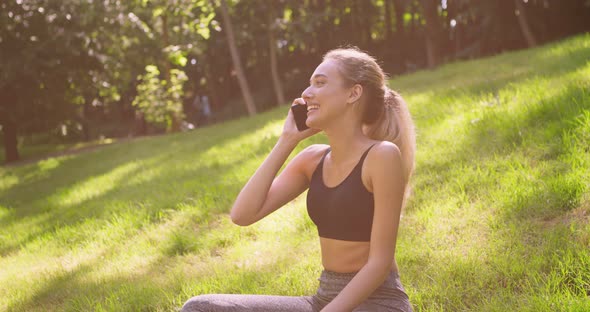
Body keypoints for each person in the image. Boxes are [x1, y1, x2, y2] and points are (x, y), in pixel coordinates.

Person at [181, 46, 416, 312]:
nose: (306, 93)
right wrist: (287, 140)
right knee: (201, 307)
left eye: (320, 83)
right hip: (323, 299)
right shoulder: (312, 159)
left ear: (354, 93)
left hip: (378, 302)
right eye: (309, 84)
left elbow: (379, 263)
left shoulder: (381, 156)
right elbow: (242, 214)